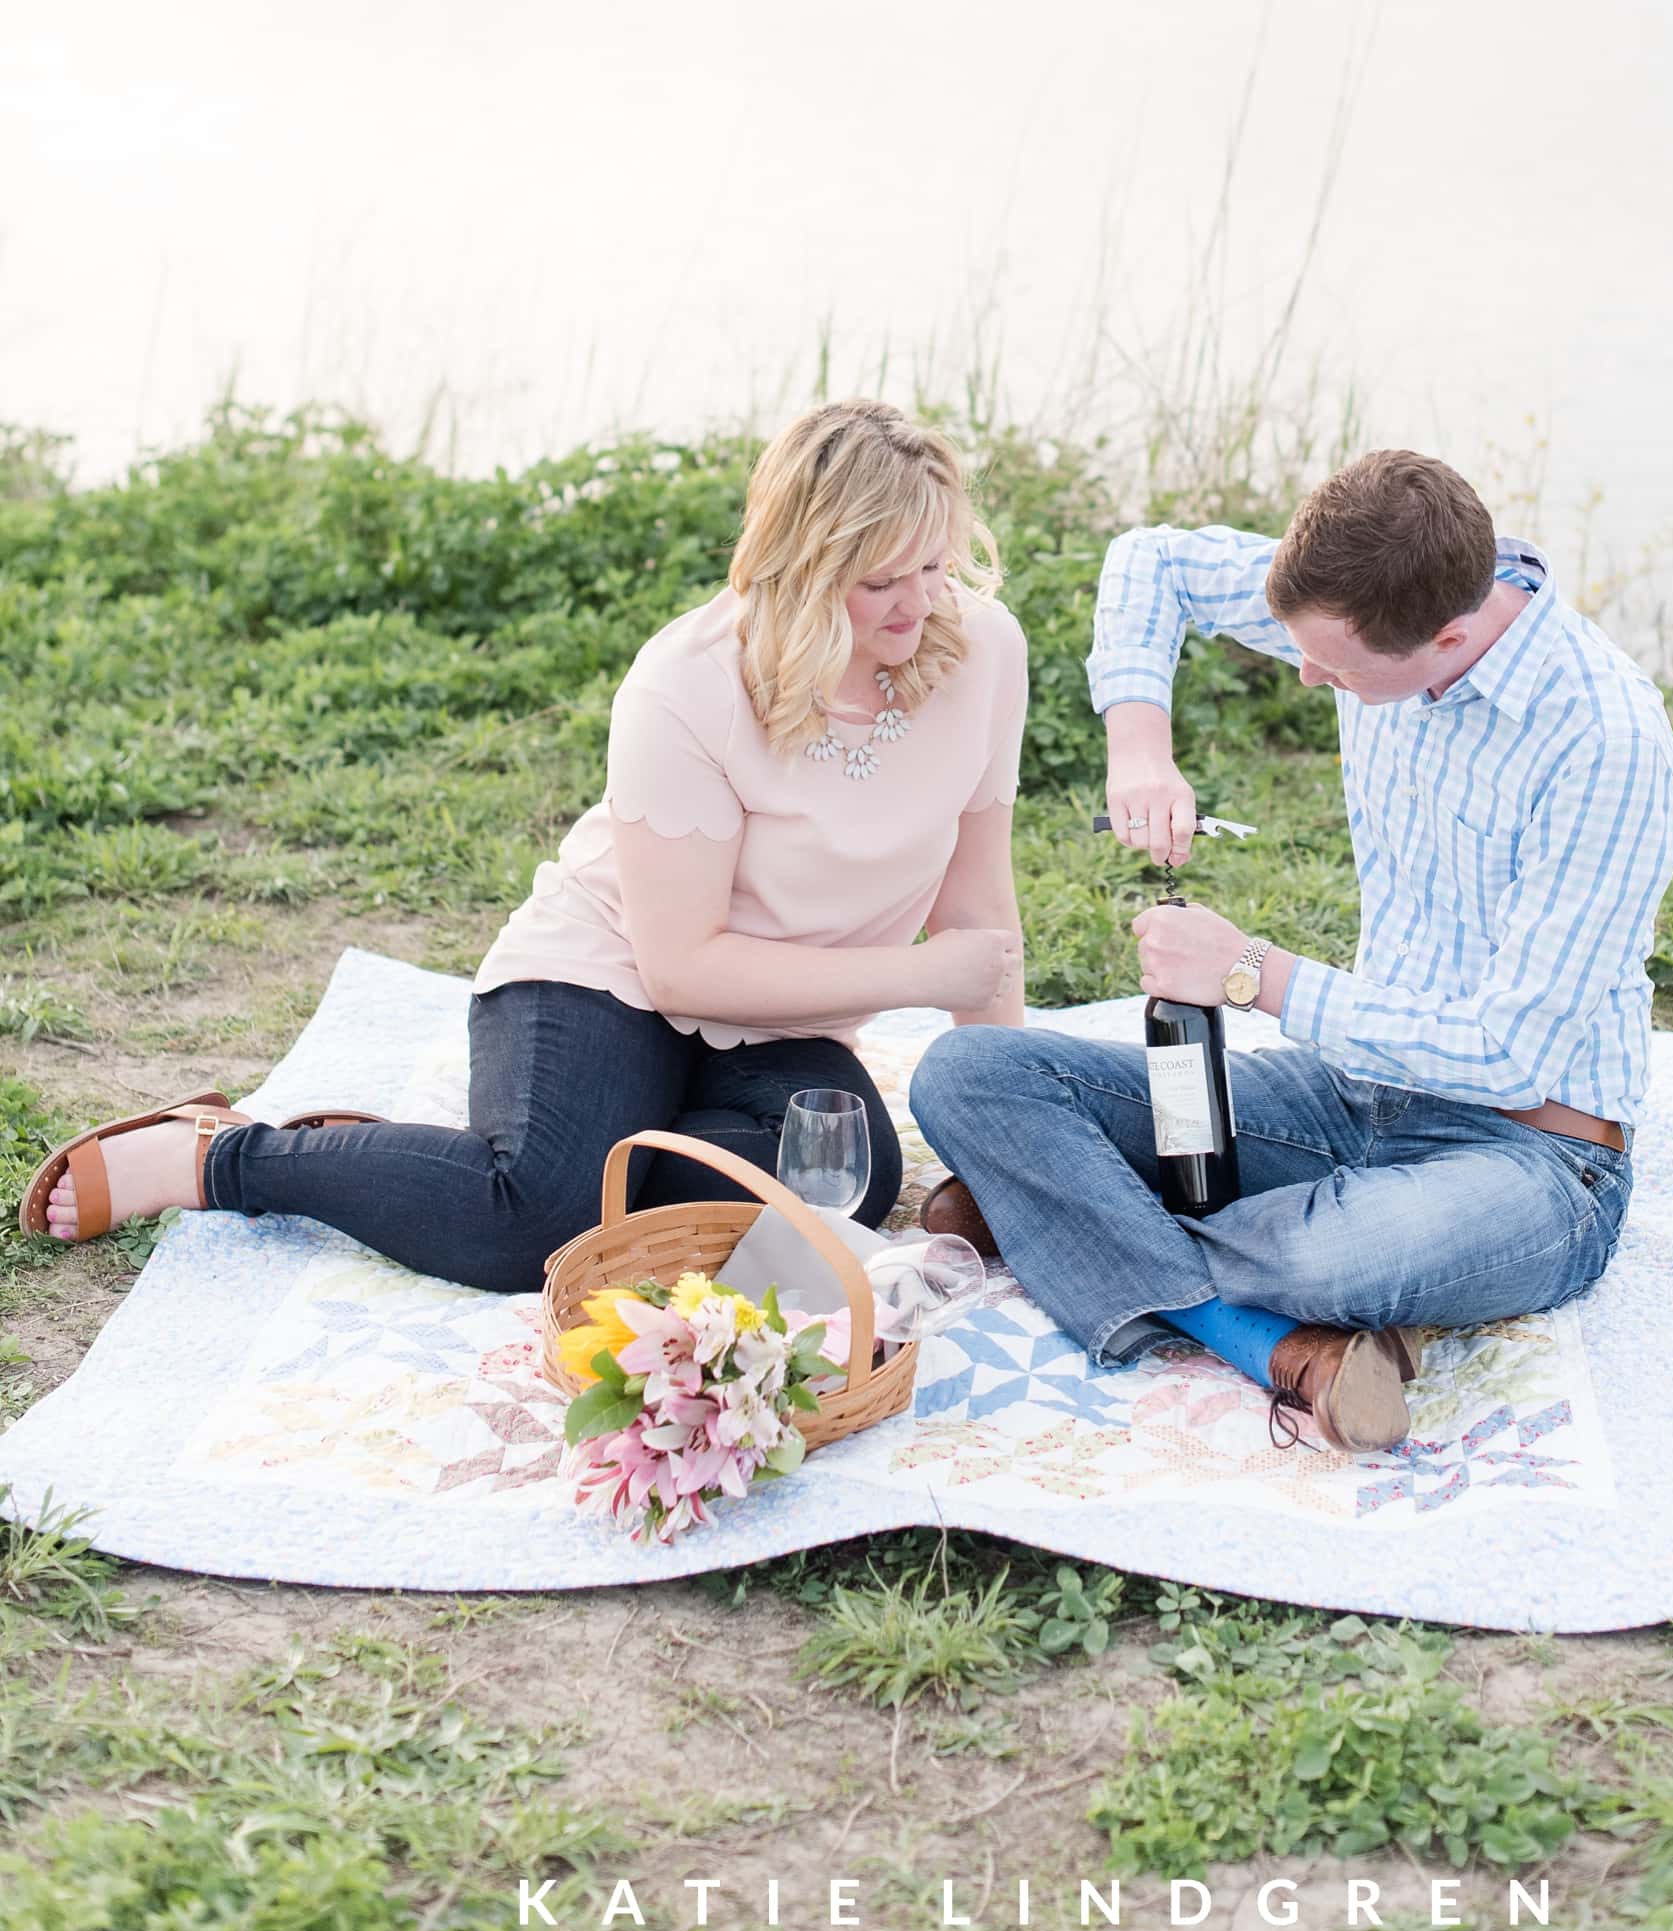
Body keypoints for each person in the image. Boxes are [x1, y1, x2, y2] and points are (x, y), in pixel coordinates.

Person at [23, 401, 1028, 1287]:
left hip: (773, 1020)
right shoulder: (686, 684)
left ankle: (461, 1165)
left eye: (934, 564)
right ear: (801, 569)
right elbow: (679, 966)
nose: (920, 601)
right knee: (539, 1221)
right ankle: (220, 1155)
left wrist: (996, 1160)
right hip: (611, 975)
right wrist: (909, 975)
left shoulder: (982, 651)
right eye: (879, 579)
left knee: (840, 1181)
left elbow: (978, 911)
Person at [912, 448, 1673, 1454]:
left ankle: (1082, 1231)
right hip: (1352, 1094)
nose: (1306, 673)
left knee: (1335, 1253)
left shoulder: (1605, 748)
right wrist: (1139, 741)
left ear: (1449, 636)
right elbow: (1151, 562)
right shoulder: (1369, 591)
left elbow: (1508, 1053)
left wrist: (1250, 972)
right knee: (970, 1074)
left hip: (1533, 1152)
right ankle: (1242, 1310)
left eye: (1335, 667)